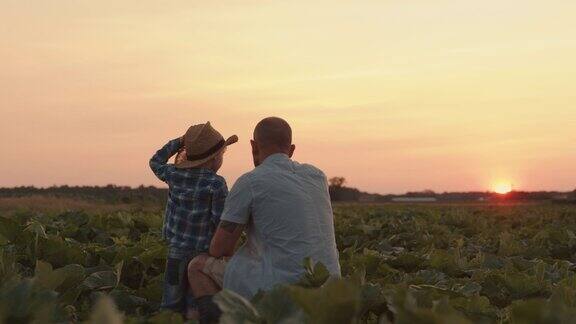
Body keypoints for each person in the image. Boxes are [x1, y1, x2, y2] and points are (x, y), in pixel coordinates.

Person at [187, 117, 341, 324]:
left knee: (197, 266)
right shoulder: (318, 176)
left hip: (281, 294)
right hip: (329, 289)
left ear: (253, 146)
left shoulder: (250, 181)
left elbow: (220, 249)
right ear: (292, 149)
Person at [149, 122, 237, 316]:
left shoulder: (173, 174)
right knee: (194, 303)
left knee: (170, 301)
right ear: (215, 158)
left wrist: (179, 142)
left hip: (176, 251)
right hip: (202, 252)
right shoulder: (217, 184)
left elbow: (155, 161)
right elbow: (219, 220)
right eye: (222, 155)